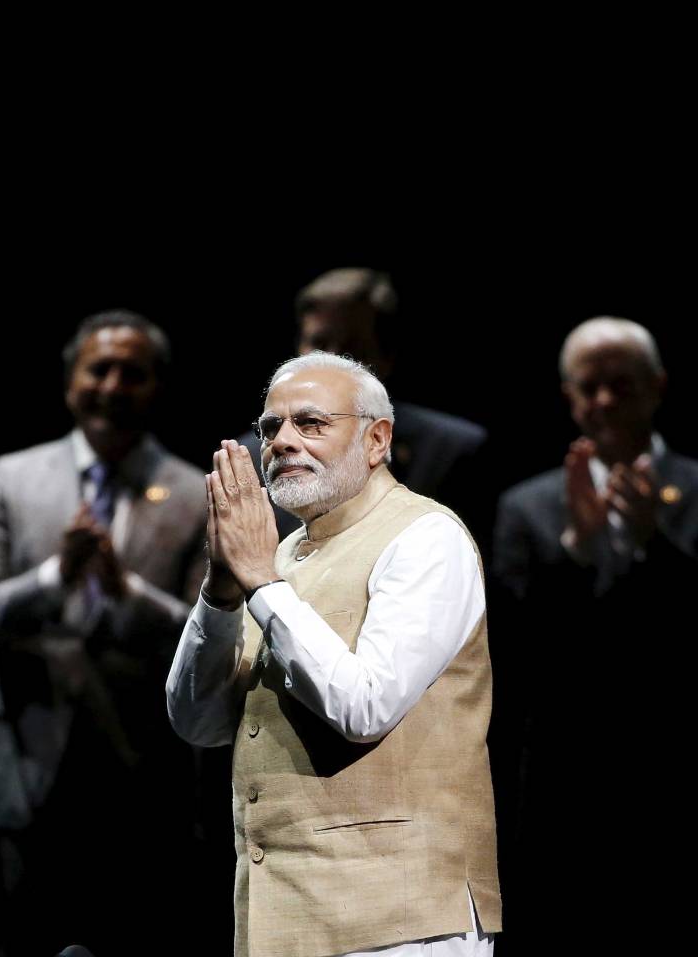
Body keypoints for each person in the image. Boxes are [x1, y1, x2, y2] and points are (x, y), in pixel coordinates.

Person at [168, 351, 502, 957]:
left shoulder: (427, 537)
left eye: (312, 423)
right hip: (279, 916)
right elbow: (199, 724)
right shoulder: (275, 554)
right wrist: (220, 592)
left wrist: (260, 584)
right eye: (271, 428)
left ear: (377, 439)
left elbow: (364, 707)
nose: (283, 443)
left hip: (400, 921)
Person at [491, 316, 698, 951]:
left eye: (622, 384)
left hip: (681, 771)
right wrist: (575, 550)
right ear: (568, 396)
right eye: (590, 386)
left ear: (658, 387)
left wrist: (653, 544)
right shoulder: (527, 506)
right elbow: (509, 640)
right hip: (564, 778)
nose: (605, 400)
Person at [0, 310, 208, 956]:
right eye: (100, 369)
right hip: (16, 762)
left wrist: (127, 592)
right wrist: (52, 577)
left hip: (138, 772)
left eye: (134, 374)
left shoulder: (195, 493)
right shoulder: (9, 478)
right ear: (70, 380)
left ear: (158, 387)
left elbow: (210, 639)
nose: (114, 386)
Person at [238, 268, 489, 541]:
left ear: (386, 355)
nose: (331, 360)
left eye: (350, 347)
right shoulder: (249, 458)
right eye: (319, 343)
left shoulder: (449, 451)